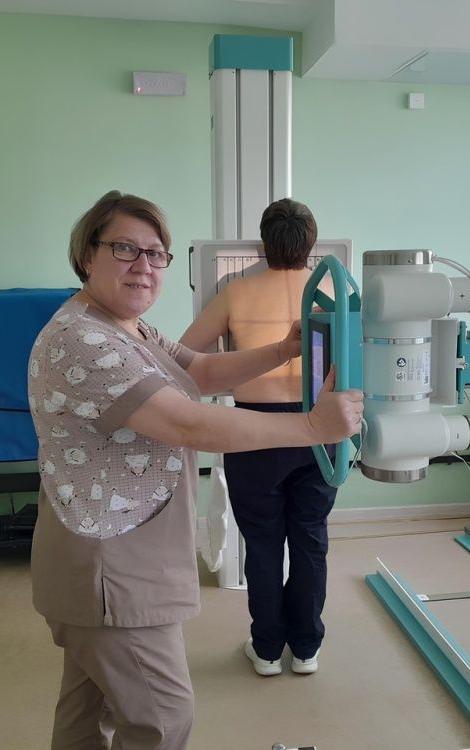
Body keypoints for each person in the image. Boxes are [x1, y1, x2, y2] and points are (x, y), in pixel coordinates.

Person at [27, 190, 362, 750]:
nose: (144, 265)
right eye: (125, 248)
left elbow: (198, 370)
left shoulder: (128, 328)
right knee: (163, 720)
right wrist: (311, 428)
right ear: (87, 254)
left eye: (156, 253)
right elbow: (186, 424)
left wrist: (283, 349)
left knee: (88, 711)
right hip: (110, 567)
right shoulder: (83, 340)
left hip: (112, 555)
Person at [180, 198, 337, 678]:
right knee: (310, 540)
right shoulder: (334, 291)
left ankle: (267, 649)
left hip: (253, 432)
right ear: (312, 242)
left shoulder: (236, 293)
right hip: (320, 428)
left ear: (263, 244)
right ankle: (306, 649)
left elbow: (183, 355)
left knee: (264, 543)